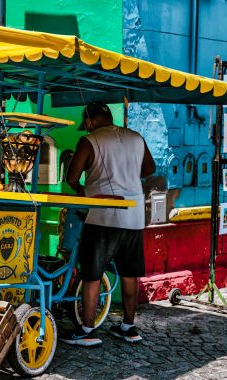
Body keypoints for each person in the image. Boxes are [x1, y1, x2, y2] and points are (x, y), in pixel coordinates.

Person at [60, 102, 155, 346]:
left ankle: (87, 330)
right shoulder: (136, 137)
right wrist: (127, 175)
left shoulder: (89, 141)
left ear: (90, 121)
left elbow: (72, 177)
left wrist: (83, 188)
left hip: (102, 216)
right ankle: (128, 326)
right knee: (129, 273)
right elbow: (150, 169)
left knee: (92, 273)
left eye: (86, 124)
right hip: (133, 216)